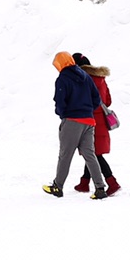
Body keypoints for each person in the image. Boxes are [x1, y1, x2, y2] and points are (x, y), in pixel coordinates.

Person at [43, 51, 105, 199]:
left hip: (72, 121)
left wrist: (63, 114)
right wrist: (87, 110)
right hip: (89, 121)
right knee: (90, 155)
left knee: (65, 155)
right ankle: (100, 188)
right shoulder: (85, 76)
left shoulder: (63, 78)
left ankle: (57, 187)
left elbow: (60, 101)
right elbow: (97, 99)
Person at [71, 52, 120, 197]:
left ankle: (112, 183)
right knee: (91, 151)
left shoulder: (82, 79)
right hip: (101, 121)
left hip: (89, 120)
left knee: (93, 153)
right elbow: (108, 101)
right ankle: (84, 182)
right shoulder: (100, 78)